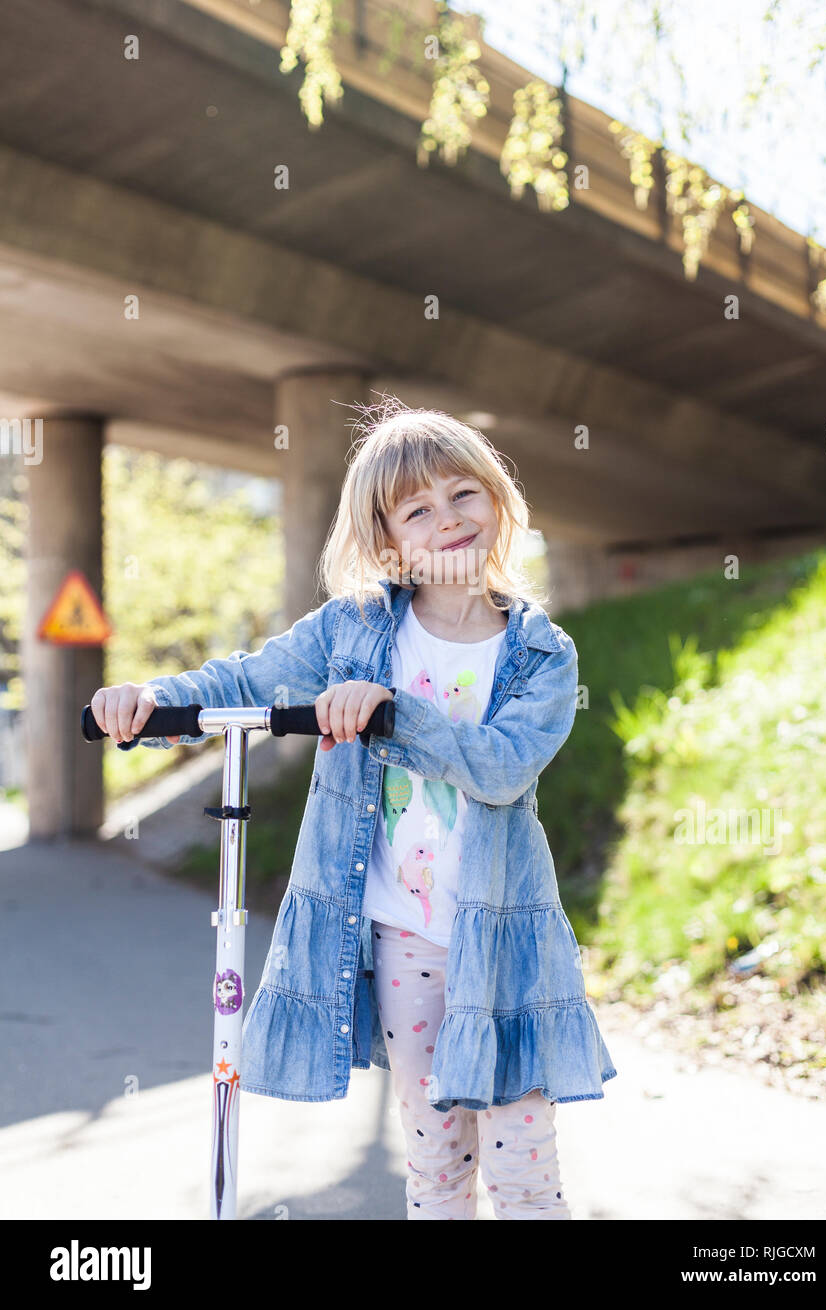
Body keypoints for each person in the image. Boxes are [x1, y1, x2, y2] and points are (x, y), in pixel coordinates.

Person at [89, 398, 617, 1220]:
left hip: (506, 945)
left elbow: (505, 767)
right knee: (436, 1165)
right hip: (402, 935)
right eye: (418, 509)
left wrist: (393, 714)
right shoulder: (356, 629)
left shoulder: (540, 653)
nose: (447, 519)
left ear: (498, 500)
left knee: (521, 1174)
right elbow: (245, 683)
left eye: (463, 494)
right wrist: (152, 698)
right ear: (386, 542)